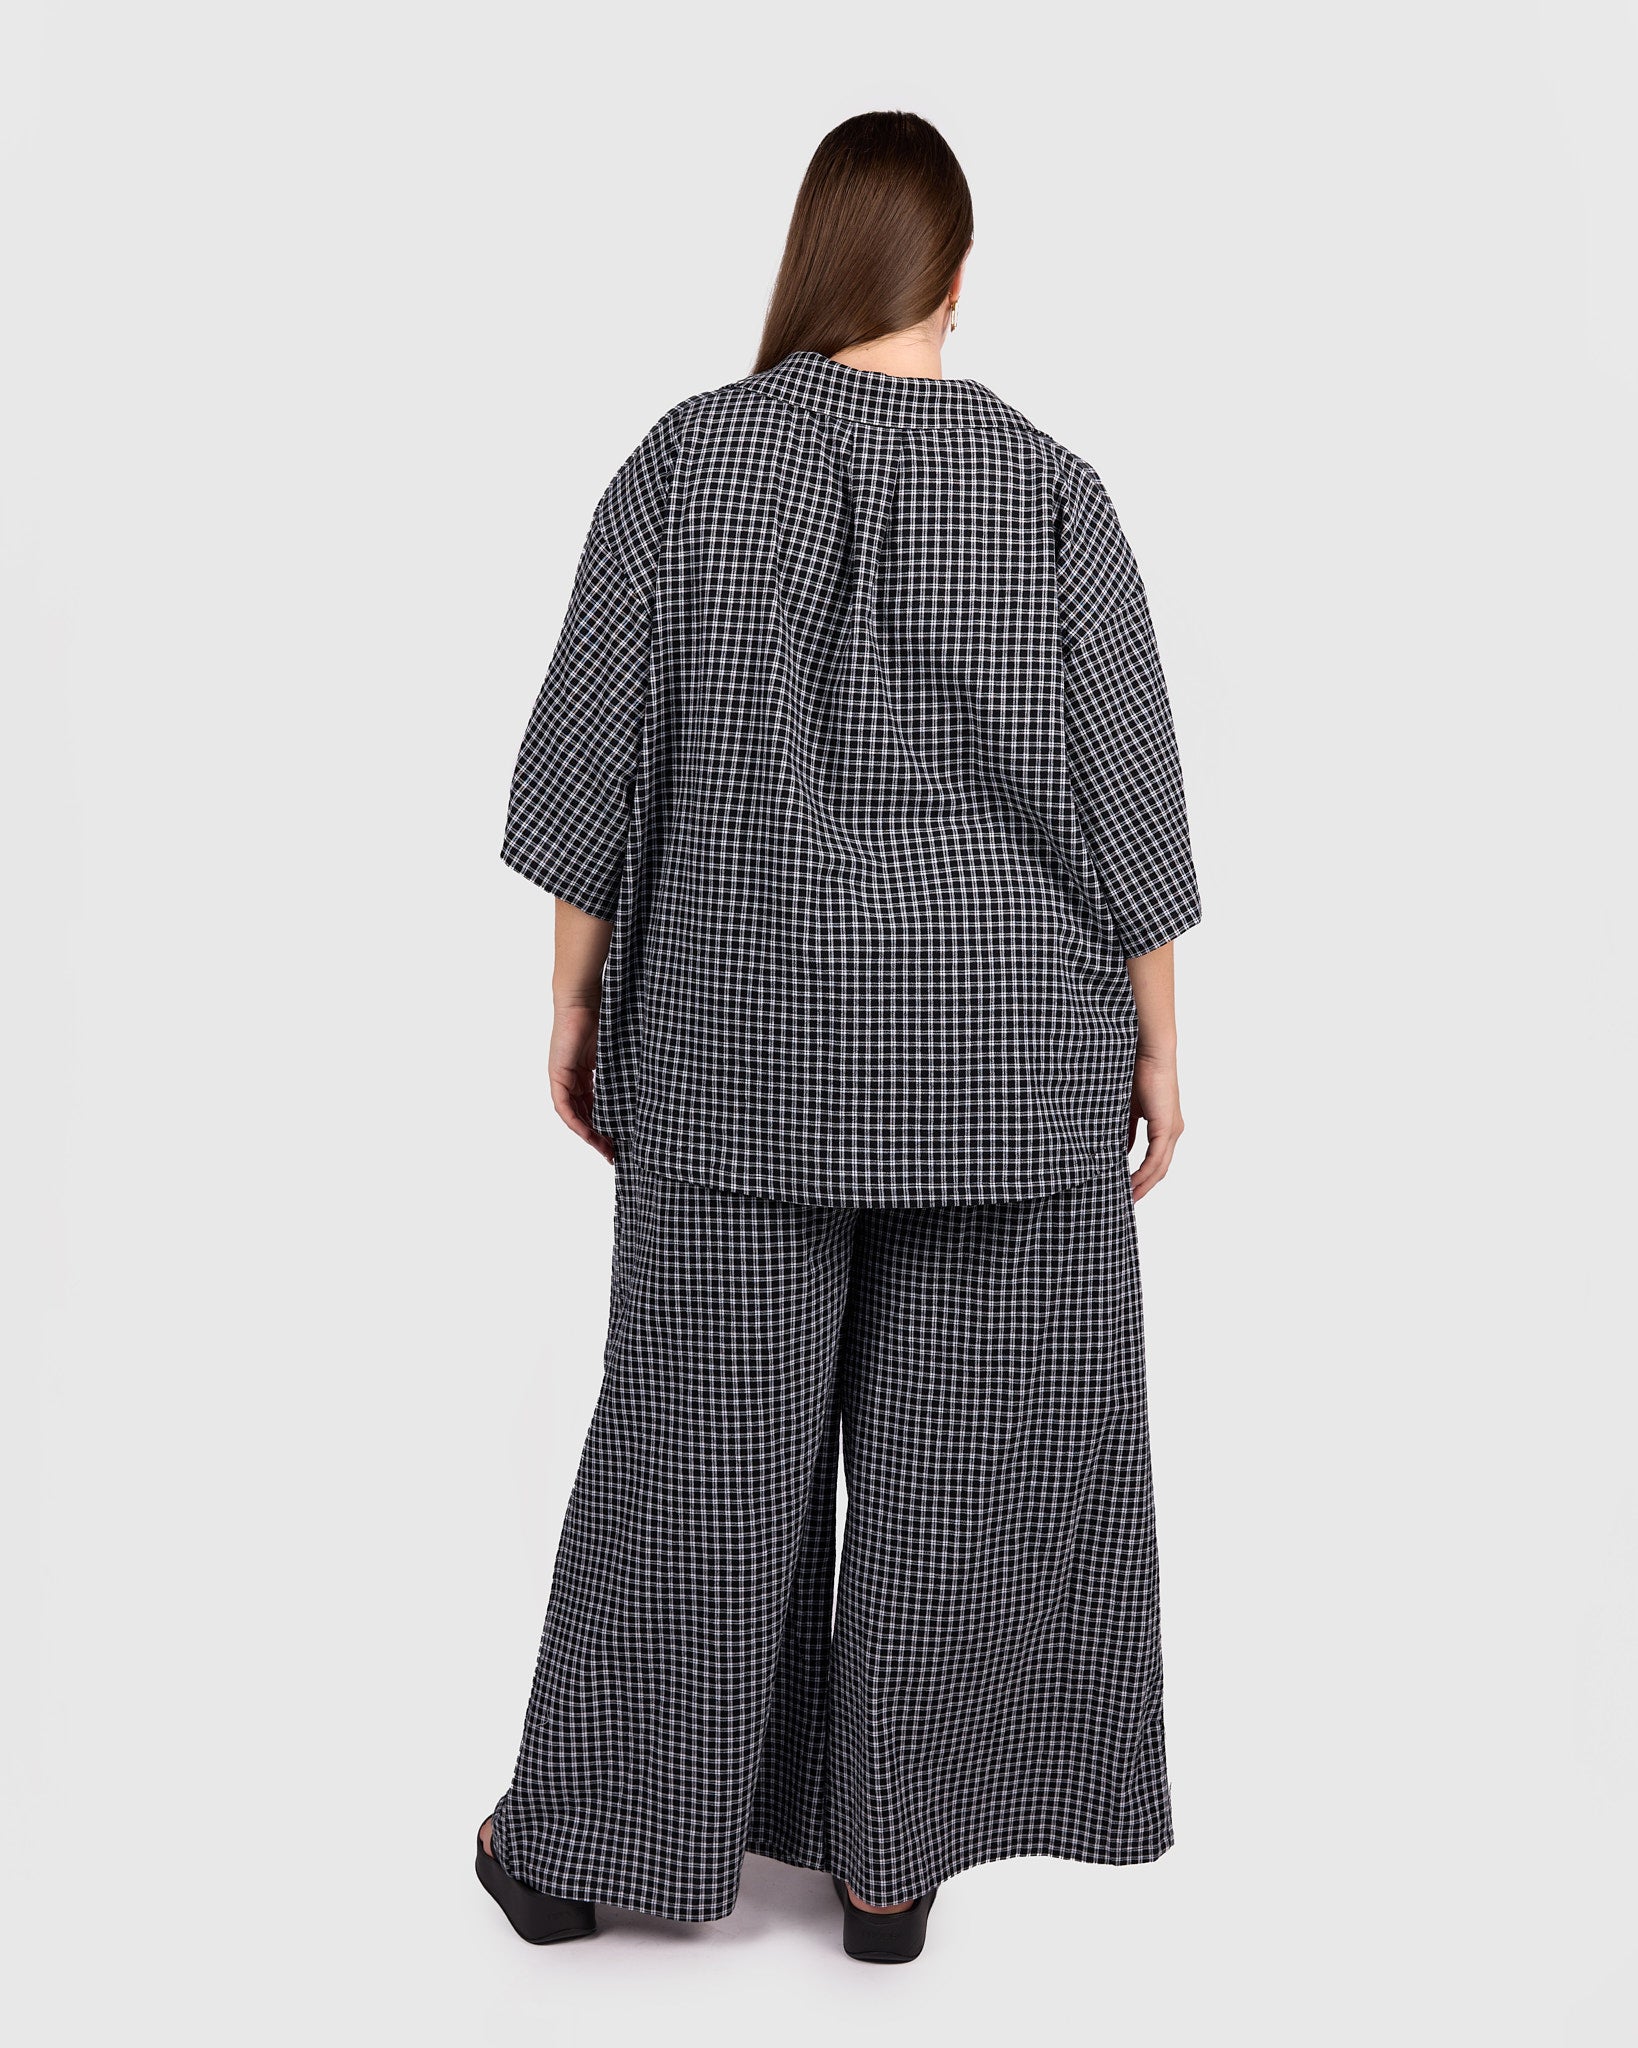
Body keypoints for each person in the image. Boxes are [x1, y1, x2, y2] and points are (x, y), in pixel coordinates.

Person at [476, 109, 1201, 1966]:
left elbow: (591, 765)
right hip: (1005, 1066)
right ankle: (891, 1868)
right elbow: (1129, 800)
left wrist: (573, 1001)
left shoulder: (684, 466)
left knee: (694, 1458)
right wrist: (1156, 1047)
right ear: (954, 279)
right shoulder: (1050, 490)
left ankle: (588, 1854)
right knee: (974, 1463)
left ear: (813, 258)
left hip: (735, 1052)